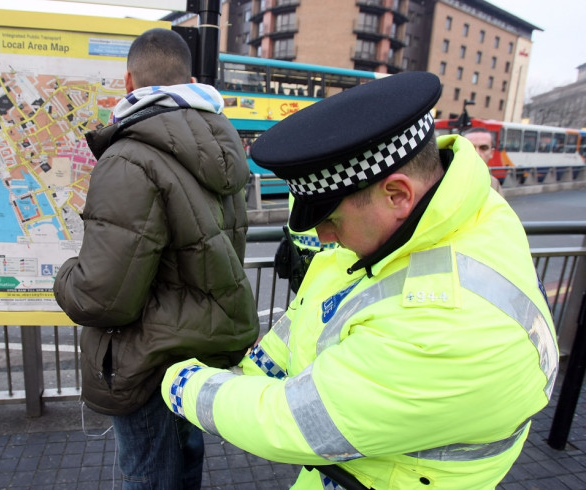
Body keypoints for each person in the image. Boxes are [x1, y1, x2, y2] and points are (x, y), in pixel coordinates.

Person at [160, 72, 559, 489]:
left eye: (331, 219)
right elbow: (312, 311)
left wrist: (181, 381)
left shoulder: (445, 325)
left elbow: (294, 420)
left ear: (398, 195)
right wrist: (255, 370)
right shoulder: (460, 210)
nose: (323, 238)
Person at [54, 28, 259, 489]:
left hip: (147, 356)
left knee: (148, 474)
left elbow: (105, 298)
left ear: (129, 81)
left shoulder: (130, 158)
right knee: (185, 464)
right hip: (199, 352)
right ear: (187, 78)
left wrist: (64, 277)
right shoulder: (221, 145)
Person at [461, 126, 503, 192]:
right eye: (471, 147)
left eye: (483, 148)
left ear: (491, 153)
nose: (477, 153)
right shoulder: (446, 178)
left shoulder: (494, 183)